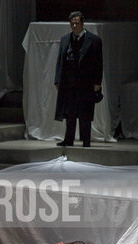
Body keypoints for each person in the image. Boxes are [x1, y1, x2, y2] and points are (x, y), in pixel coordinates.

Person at [54, 11, 103, 147]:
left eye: (77, 23)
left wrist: (97, 82)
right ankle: (68, 139)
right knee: (70, 113)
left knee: (85, 113)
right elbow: (60, 61)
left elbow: (99, 63)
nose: (74, 26)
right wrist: (58, 79)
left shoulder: (94, 40)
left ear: (82, 23)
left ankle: (86, 140)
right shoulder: (65, 39)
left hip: (86, 83)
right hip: (69, 83)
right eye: (72, 23)